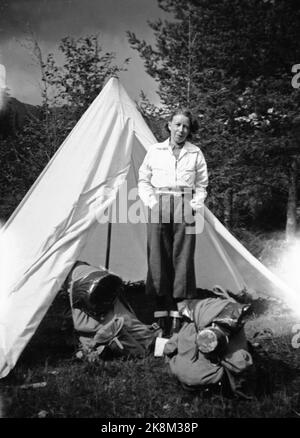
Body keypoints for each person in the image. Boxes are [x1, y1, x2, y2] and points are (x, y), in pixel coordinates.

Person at [138, 108, 208, 331]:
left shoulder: (195, 153)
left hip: (184, 203)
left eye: (186, 126)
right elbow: (143, 179)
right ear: (168, 125)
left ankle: (179, 313)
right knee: (158, 255)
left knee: (183, 256)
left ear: (189, 130)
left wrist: (194, 206)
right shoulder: (155, 150)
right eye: (177, 124)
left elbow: (202, 185)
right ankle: (160, 314)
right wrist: (152, 203)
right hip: (160, 203)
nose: (181, 130)